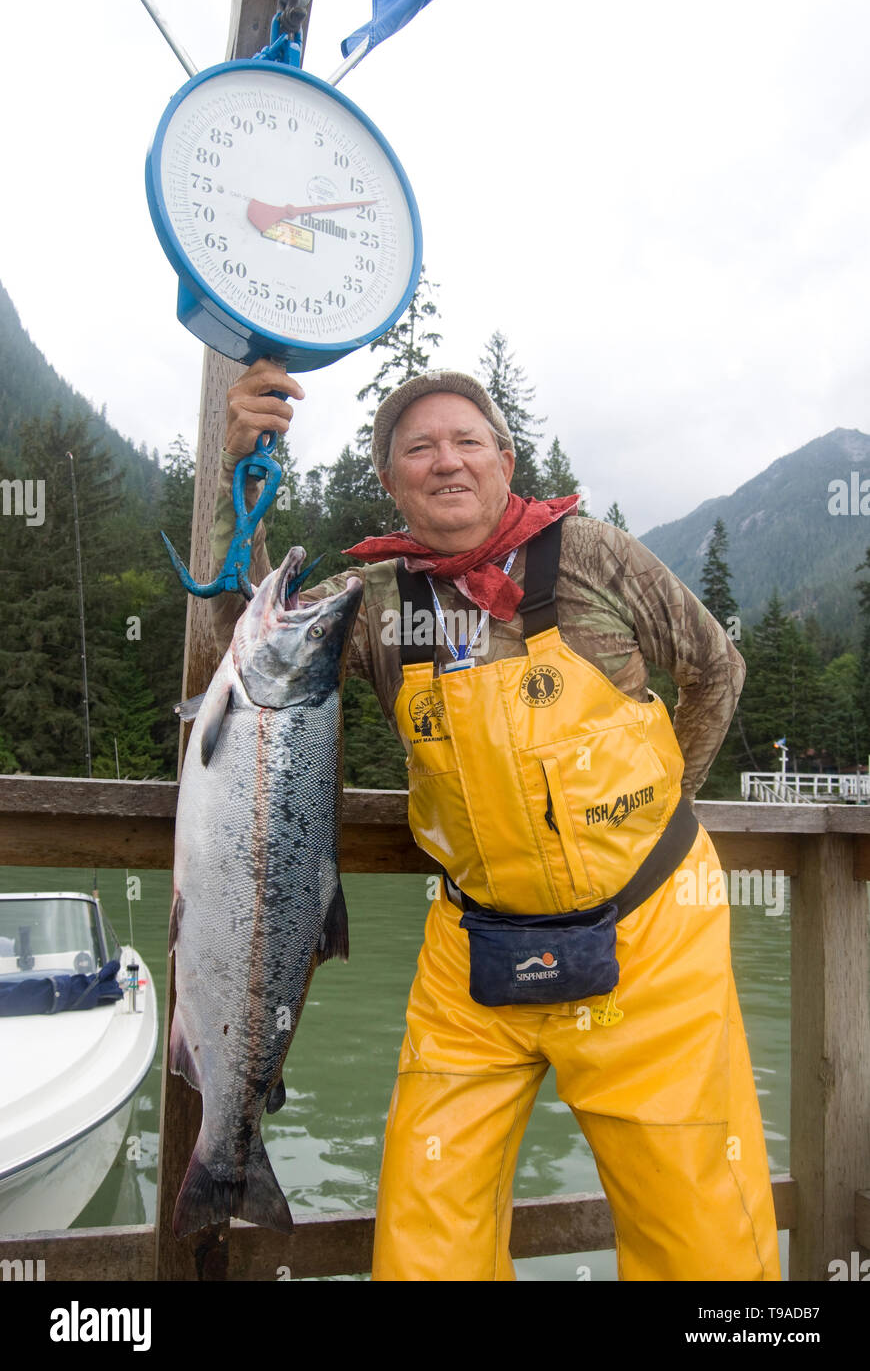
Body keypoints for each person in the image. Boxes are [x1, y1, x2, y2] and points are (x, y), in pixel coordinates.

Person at [210, 358, 781, 1283]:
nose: (447, 461)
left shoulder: (592, 553)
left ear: (505, 461)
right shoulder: (374, 601)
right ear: (390, 481)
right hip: (472, 956)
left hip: (652, 940)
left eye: (467, 441)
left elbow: (717, 668)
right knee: (425, 1240)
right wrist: (242, 477)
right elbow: (245, 649)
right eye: (418, 449)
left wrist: (662, 809)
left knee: (699, 1233)